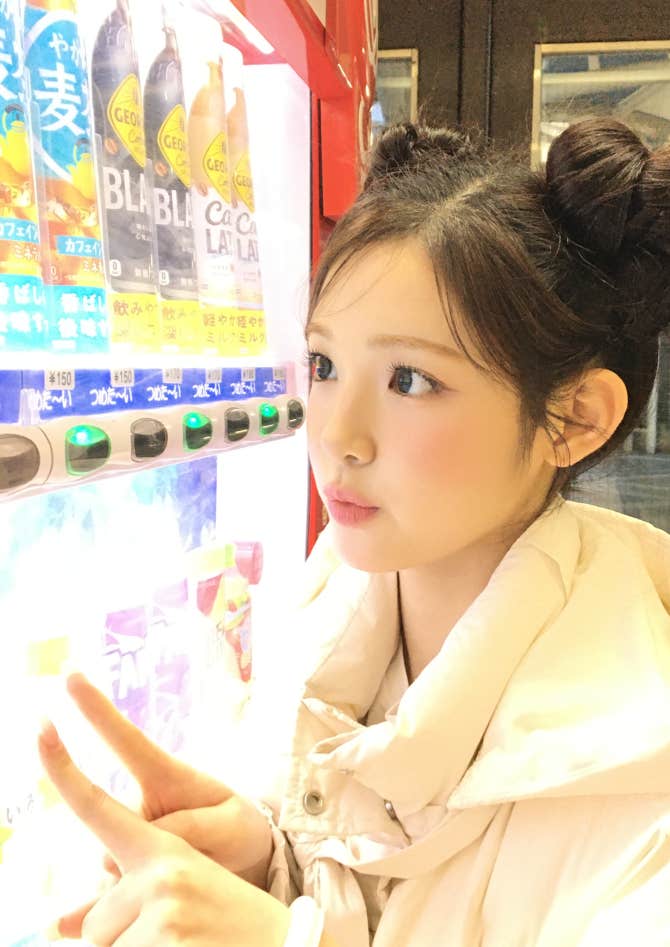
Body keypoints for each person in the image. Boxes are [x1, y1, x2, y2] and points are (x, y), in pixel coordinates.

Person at [39, 117, 670, 946]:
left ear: (574, 417)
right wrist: (264, 858)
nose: (338, 434)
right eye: (325, 365)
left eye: (410, 379)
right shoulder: (330, 591)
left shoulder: (641, 789)